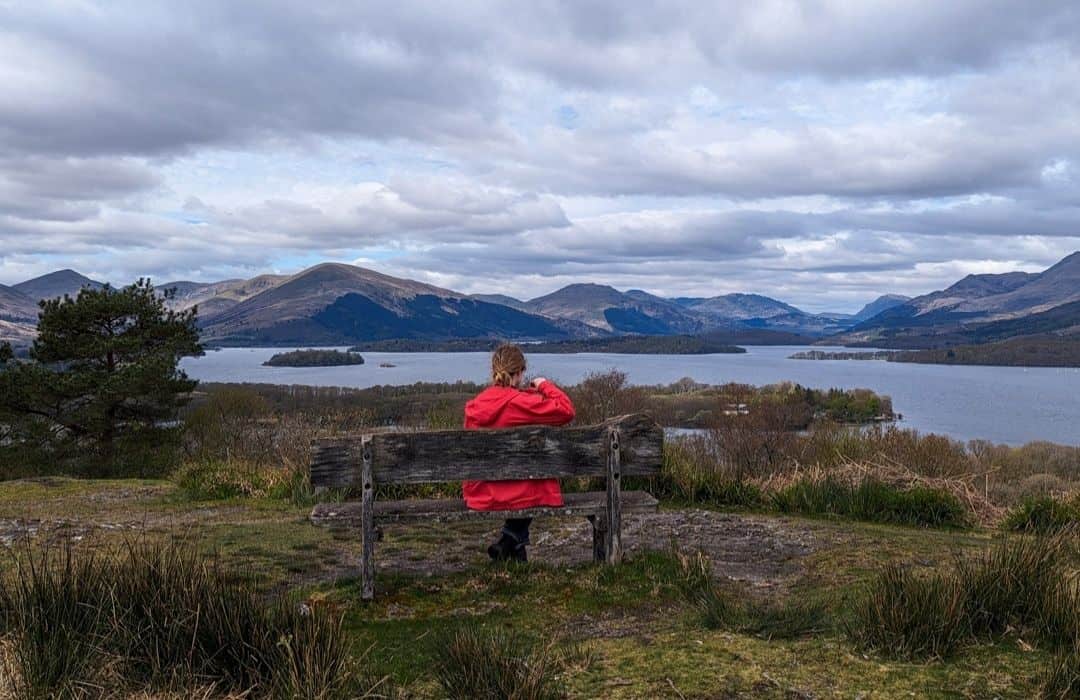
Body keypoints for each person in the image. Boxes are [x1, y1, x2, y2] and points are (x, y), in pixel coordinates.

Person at [463, 343, 575, 562]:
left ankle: (510, 549)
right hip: (519, 491)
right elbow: (566, 410)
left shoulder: (476, 406)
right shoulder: (521, 403)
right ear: (520, 372)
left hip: (482, 490)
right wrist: (544, 385)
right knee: (541, 483)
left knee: (534, 482)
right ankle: (508, 542)